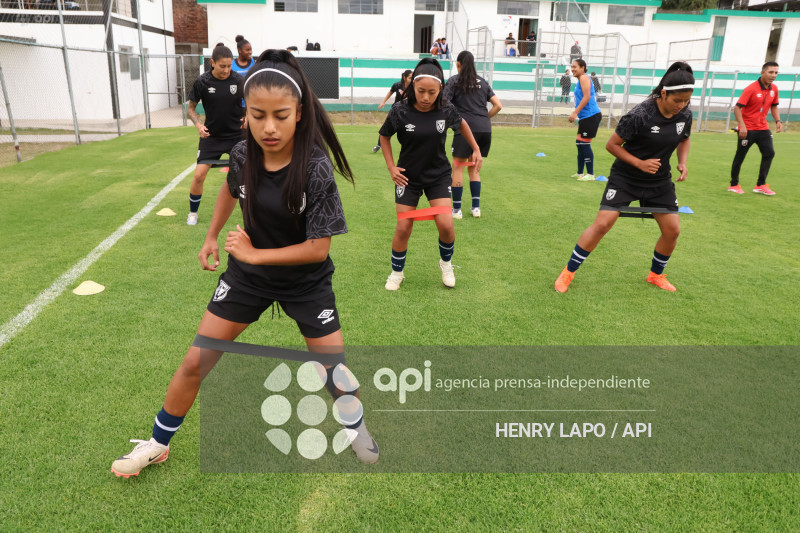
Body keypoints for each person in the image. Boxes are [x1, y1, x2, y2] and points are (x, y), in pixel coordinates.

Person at [111, 50, 379, 478]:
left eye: (280, 115)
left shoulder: (315, 167)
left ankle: (357, 428)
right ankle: (157, 444)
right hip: (247, 279)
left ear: (299, 113)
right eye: (257, 115)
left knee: (334, 368)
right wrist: (213, 235)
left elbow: (318, 249)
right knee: (195, 361)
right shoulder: (242, 154)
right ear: (246, 114)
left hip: (306, 282)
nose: (268, 127)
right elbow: (230, 191)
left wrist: (254, 252)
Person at [554, 62, 694, 294]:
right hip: (626, 177)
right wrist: (639, 163)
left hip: (659, 180)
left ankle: (655, 275)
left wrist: (682, 161)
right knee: (602, 224)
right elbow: (612, 145)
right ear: (664, 93)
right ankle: (567, 273)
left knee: (672, 230)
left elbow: (684, 137)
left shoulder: (685, 114)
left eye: (686, 101)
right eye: (676, 100)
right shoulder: (640, 114)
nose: (681, 106)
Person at [378, 58, 483, 291]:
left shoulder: (446, 108)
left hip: (438, 176)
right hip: (408, 177)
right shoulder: (400, 110)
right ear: (412, 87)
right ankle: (397, 272)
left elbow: (462, 124)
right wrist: (391, 167)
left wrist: (475, 148)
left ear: (441, 90)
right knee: (403, 227)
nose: (426, 97)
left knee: (446, 224)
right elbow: (384, 136)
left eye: (432, 92)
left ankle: (446, 264)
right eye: (421, 91)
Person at [186, 43, 245, 226]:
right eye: (222, 66)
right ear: (212, 62)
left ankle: (254, 212)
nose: (227, 70)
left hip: (237, 135)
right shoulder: (202, 82)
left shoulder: (238, 80)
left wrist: (249, 116)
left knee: (250, 175)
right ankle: (193, 213)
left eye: (229, 66)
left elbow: (252, 102)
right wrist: (198, 125)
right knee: (198, 176)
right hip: (211, 137)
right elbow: (191, 109)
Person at [443, 50, 502, 219]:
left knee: (458, 168)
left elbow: (444, 103)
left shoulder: (454, 81)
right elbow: (498, 105)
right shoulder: (482, 82)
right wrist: (484, 118)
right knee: (474, 168)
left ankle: (456, 210)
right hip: (484, 129)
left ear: (459, 64)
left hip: (464, 128)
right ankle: (476, 208)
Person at [728, 61, 782, 195]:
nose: (773, 75)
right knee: (740, 156)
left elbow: (774, 105)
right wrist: (743, 126)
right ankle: (734, 185)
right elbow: (737, 108)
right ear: (762, 72)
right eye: (770, 72)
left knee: (769, 153)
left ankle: (761, 184)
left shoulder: (774, 89)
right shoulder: (751, 89)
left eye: (776, 72)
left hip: (763, 128)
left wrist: (778, 120)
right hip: (748, 129)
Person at [569, 59, 603, 181]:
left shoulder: (584, 78)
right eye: (571, 67)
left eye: (575, 67)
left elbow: (587, 96)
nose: (572, 69)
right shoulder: (580, 80)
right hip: (585, 117)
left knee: (584, 143)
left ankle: (590, 174)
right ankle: (579, 173)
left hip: (591, 115)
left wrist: (575, 112)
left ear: (583, 67)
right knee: (579, 144)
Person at [371, 70, 412, 153]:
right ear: (404, 78)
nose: (412, 79)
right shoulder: (397, 85)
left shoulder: (414, 87)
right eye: (410, 78)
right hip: (395, 111)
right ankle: (379, 145)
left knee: (409, 129)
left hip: (407, 112)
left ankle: (410, 147)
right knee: (386, 128)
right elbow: (391, 91)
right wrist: (383, 102)